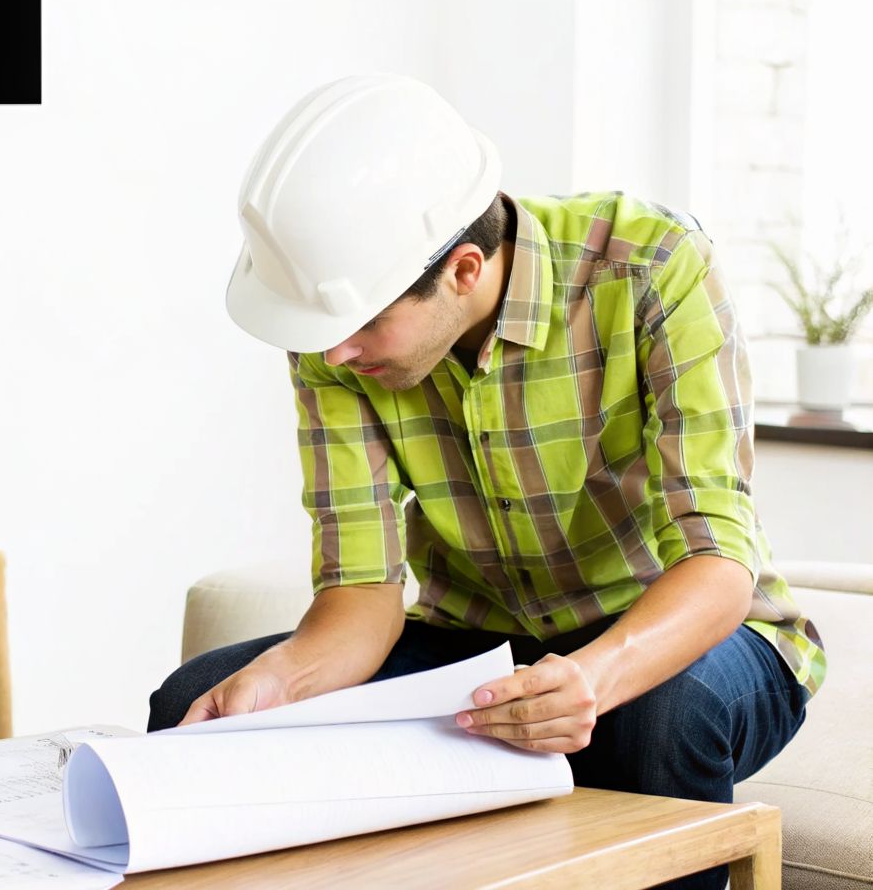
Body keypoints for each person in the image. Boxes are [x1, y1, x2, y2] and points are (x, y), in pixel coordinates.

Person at [150, 75, 823, 890]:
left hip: (691, 639)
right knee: (196, 702)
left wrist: (591, 679)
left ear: (464, 268)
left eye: (362, 326)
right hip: (481, 643)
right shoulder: (335, 340)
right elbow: (361, 590)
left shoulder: (652, 268)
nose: (336, 355)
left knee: (655, 719)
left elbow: (718, 565)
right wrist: (282, 681)